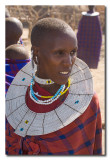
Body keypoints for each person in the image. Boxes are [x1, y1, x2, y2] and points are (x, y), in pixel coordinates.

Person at [6, 18, 102, 155]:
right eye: (59, 53)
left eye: (72, 52)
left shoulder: (88, 101)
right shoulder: (18, 99)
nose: (69, 62)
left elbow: (95, 150)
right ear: (36, 53)